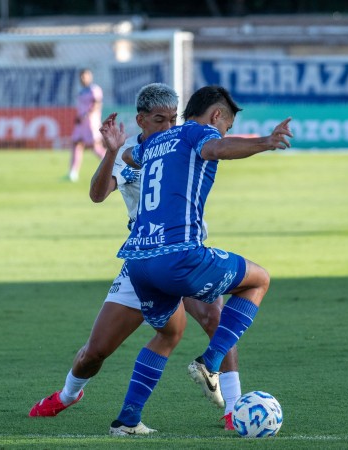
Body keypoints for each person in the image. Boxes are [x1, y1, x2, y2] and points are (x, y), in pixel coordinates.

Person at [29, 83, 243, 430]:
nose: (167, 126)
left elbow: (216, 149)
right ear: (141, 119)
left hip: (184, 251)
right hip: (142, 258)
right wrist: (111, 152)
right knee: (96, 351)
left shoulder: (185, 139)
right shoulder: (131, 152)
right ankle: (68, 395)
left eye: (172, 119)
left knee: (215, 319)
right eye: (159, 120)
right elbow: (97, 195)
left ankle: (234, 409)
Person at [101, 85, 292, 435]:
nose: (225, 132)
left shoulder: (155, 141)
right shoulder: (199, 133)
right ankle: (211, 361)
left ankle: (127, 420)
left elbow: (130, 157)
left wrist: (117, 150)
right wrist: (265, 142)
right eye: (227, 125)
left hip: (139, 262)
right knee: (259, 279)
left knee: (167, 335)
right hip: (179, 255)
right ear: (216, 115)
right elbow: (216, 147)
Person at [67, 69, 106, 182]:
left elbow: (97, 103)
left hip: (91, 123)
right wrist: (79, 117)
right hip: (81, 123)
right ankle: (73, 173)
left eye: (85, 76)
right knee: (76, 144)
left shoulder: (94, 89)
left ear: (90, 77)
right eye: (81, 77)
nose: (83, 79)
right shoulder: (81, 91)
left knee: (95, 147)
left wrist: (87, 115)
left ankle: (113, 166)